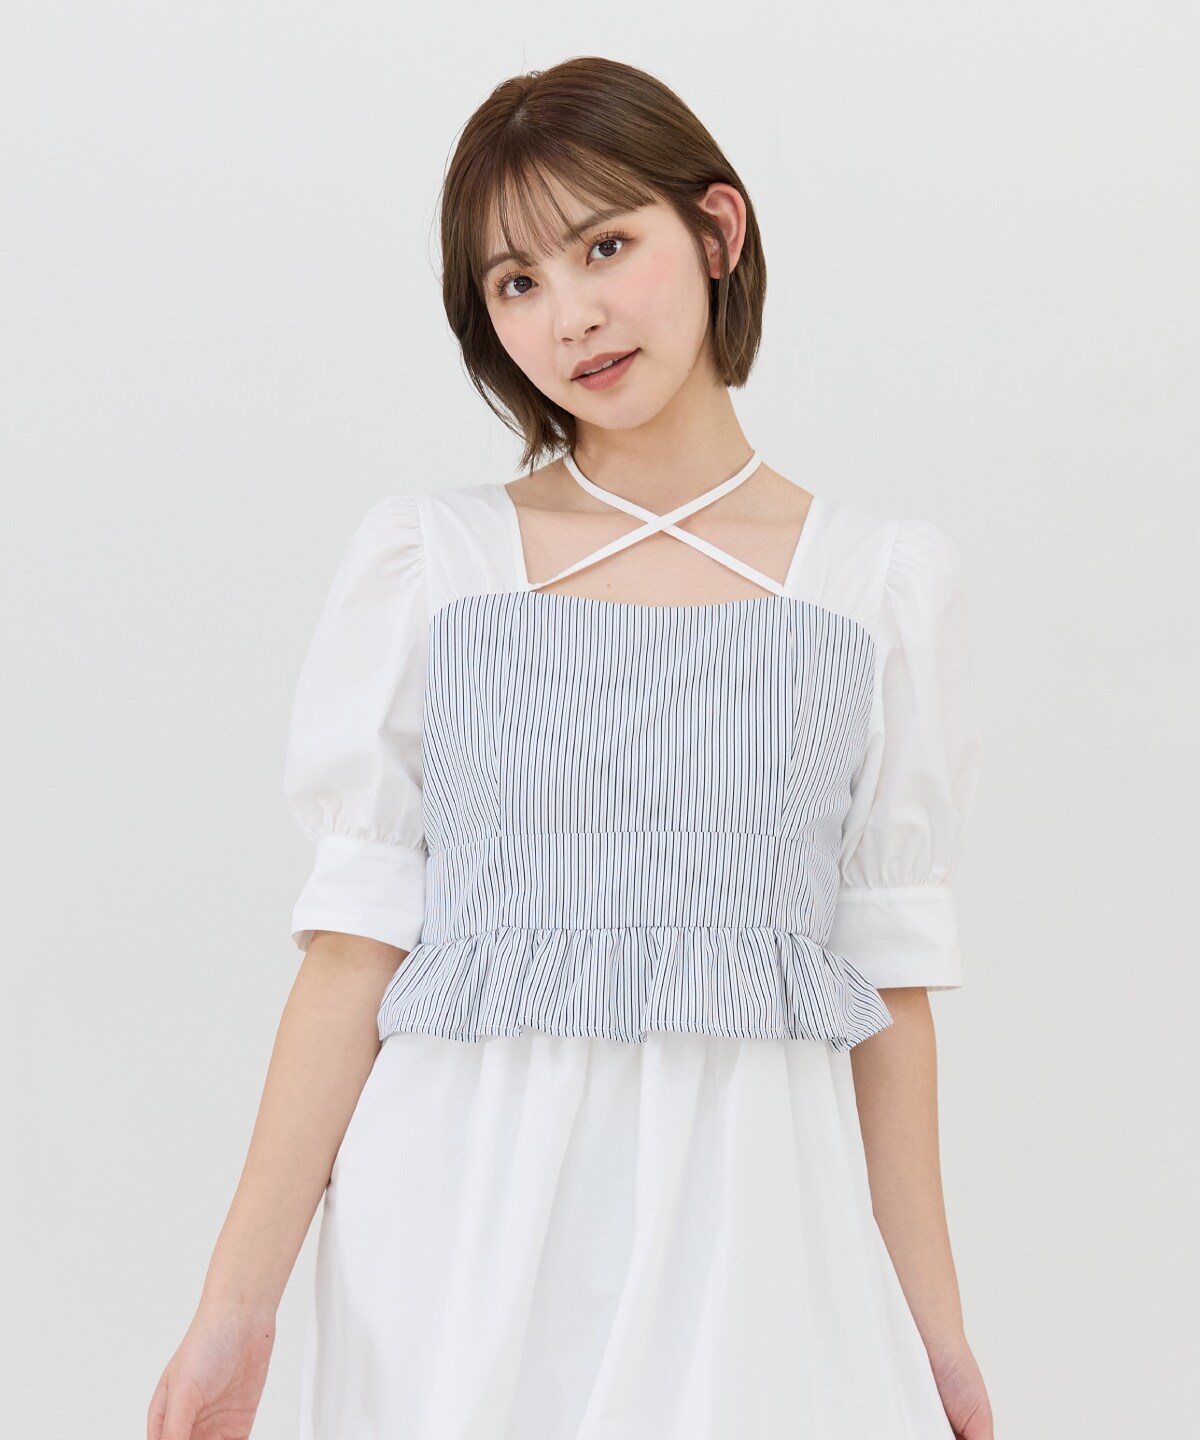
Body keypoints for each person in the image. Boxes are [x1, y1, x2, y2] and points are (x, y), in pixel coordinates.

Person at [148, 55, 993, 1440]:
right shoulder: (435, 564)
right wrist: (235, 1307)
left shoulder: (877, 584)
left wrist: (935, 1339)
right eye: (516, 282)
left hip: (755, 1228)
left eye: (606, 246)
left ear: (715, 231)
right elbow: (354, 950)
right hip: (456, 1227)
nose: (573, 315)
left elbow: (890, 991)